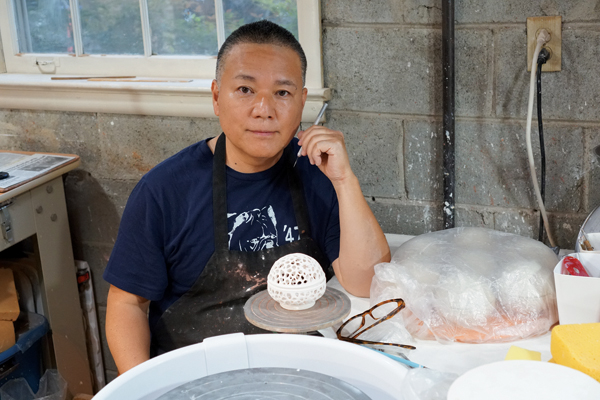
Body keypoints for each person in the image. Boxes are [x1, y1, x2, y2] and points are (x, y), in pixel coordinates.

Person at [104, 20, 390, 374]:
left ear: (301, 101)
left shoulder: (318, 173)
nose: (264, 109)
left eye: (282, 93)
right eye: (244, 89)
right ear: (216, 97)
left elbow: (366, 282)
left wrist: (345, 180)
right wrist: (143, 387)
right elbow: (128, 303)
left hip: (302, 372)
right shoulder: (164, 191)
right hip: (200, 379)